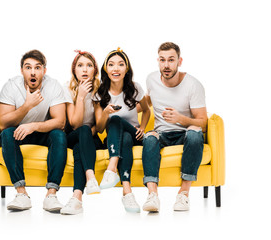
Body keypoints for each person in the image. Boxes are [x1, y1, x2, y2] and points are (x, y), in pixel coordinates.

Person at [0, 49, 68, 212]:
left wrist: (33, 126)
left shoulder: (53, 86)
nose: (33, 72)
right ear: (22, 70)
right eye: (28, 67)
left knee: (59, 135)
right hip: (19, 133)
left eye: (37, 67)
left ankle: (51, 194)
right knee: (7, 133)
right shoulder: (11, 86)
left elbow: (60, 122)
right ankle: (21, 194)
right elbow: (2, 123)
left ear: (44, 70)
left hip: (43, 132)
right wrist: (27, 106)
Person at [142, 42, 207, 212]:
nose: (166, 65)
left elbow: (204, 123)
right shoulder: (151, 79)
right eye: (162, 60)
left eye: (171, 60)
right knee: (149, 137)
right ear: (158, 61)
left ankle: (183, 194)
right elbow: (146, 101)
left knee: (195, 134)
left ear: (180, 61)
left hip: (185, 133)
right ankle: (152, 195)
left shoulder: (193, 85)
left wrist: (181, 119)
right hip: (161, 134)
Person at [93, 48, 150, 213]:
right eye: (111, 65)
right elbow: (100, 128)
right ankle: (127, 192)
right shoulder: (100, 93)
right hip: (115, 138)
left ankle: (111, 169)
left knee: (118, 122)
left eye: (120, 64)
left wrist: (143, 127)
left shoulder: (135, 88)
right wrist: (105, 113)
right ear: (106, 69)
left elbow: (146, 110)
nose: (115, 69)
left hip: (135, 135)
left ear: (127, 69)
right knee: (121, 134)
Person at [60, 50, 104, 215]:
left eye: (89, 65)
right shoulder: (67, 88)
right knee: (82, 132)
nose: (84, 70)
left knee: (80, 148)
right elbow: (75, 123)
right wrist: (80, 97)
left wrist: (90, 130)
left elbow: (99, 127)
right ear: (74, 71)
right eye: (80, 66)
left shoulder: (99, 89)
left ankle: (77, 198)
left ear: (95, 70)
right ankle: (90, 177)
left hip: (90, 138)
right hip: (72, 135)